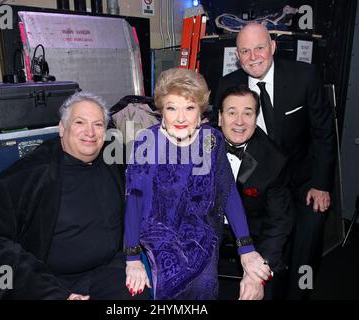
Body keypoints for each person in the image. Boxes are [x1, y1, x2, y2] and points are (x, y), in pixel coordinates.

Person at [0, 91, 147, 300]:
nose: (90, 132)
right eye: (80, 122)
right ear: (62, 128)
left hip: (107, 270)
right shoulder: (25, 176)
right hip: (45, 282)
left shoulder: (114, 160)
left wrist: (133, 257)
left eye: (98, 125)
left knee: (141, 295)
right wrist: (53, 294)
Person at [123, 67, 271, 300]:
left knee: (205, 286)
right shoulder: (147, 142)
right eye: (172, 108)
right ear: (162, 110)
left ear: (201, 110)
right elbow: (134, 200)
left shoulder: (212, 140)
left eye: (189, 107)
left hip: (202, 236)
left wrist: (246, 248)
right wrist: (132, 258)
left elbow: (228, 191)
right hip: (158, 236)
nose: (181, 118)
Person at [214, 23, 336, 299]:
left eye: (259, 48)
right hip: (257, 185)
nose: (253, 56)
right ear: (237, 54)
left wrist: (321, 184)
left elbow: (323, 134)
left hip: (303, 182)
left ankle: (300, 293)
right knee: (265, 243)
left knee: (306, 243)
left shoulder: (305, 76)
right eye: (245, 51)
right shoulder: (227, 84)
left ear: (272, 47)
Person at [218, 84, 294, 299]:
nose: (240, 121)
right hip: (206, 233)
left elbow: (279, 221)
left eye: (247, 113)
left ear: (256, 117)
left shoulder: (274, 160)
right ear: (220, 116)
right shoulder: (198, 145)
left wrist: (257, 274)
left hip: (255, 237)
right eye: (232, 112)